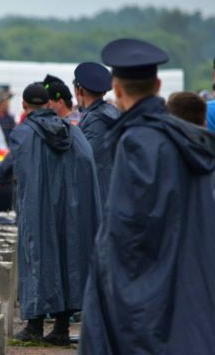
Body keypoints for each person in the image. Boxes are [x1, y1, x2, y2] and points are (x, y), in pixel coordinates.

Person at [80, 39, 215, 354]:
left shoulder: (138, 141)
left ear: (116, 87)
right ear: (157, 85)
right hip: (192, 279)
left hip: (146, 296)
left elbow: (128, 233)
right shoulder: (187, 138)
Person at [10, 83, 101, 346]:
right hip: (71, 210)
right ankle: (61, 328)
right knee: (68, 261)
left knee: (36, 259)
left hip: (38, 208)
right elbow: (86, 167)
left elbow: (19, 171)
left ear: (25, 105)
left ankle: (34, 326)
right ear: (50, 103)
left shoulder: (23, 133)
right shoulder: (74, 133)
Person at [73, 62, 120, 206]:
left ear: (79, 91)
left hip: (98, 196)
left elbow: (85, 160)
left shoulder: (96, 120)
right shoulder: (111, 113)